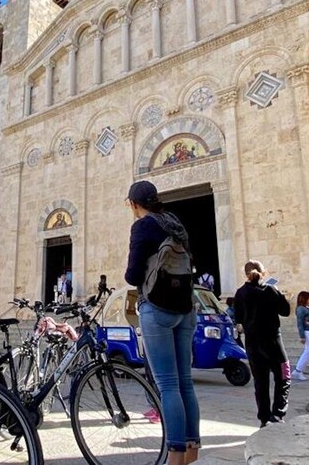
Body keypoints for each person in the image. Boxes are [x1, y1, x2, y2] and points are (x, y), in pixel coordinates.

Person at [123, 180, 200, 465]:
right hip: (186, 308)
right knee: (185, 383)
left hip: (157, 308)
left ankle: (175, 455)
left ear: (133, 203)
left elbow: (132, 276)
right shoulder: (174, 222)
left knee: (167, 385)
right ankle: (192, 449)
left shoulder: (142, 226)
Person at [233, 260, 291, 428]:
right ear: (263, 272)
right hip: (273, 340)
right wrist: (281, 294)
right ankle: (278, 413)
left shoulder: (240, 293)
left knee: (260, 381)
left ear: (245, 274)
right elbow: (285, 311)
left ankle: (264, 417)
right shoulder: (271, 290)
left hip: (252, 342)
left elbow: (238, 317)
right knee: (283, 376)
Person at [291, 291, 309, 382]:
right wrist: (302, 336)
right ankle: (298, 370)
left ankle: (298, 370)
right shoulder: (301, 309)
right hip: (308, 332)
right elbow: (300, 323)